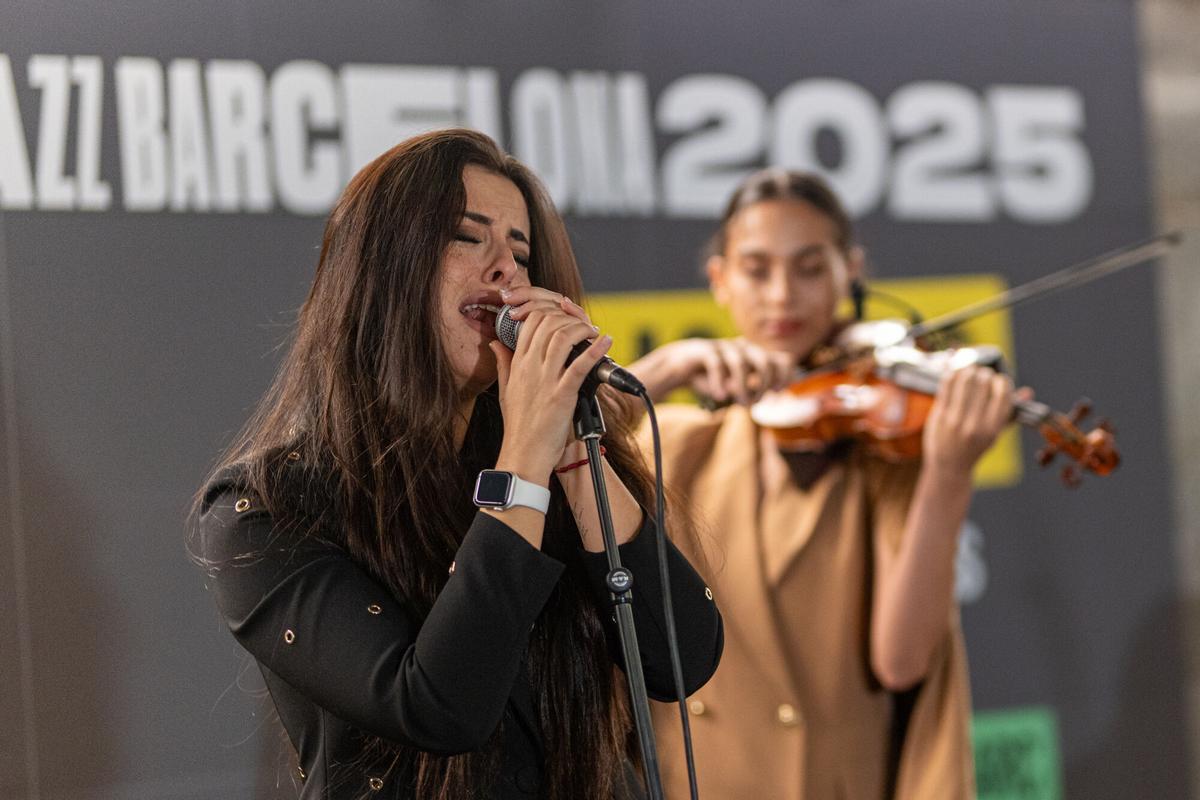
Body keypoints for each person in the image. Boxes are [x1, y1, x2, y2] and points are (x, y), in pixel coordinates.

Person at [190, 129, 723, 800]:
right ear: (384, 270)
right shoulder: (267, 508)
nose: (506, 270)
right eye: (468, 238)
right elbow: (440, 704)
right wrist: (526, 455)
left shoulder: (544, 464)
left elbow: (681, 658)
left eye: (521, 251)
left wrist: (573, 456)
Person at [627, 169, 1019, 799]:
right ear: (720, 281)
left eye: (810, 268)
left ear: (850, 272)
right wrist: (673, 364)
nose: (782, 295)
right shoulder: (675, 441)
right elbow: (554, 439)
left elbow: (901, 661)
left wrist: (948, 474)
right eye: (757, 270)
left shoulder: (886, 447)